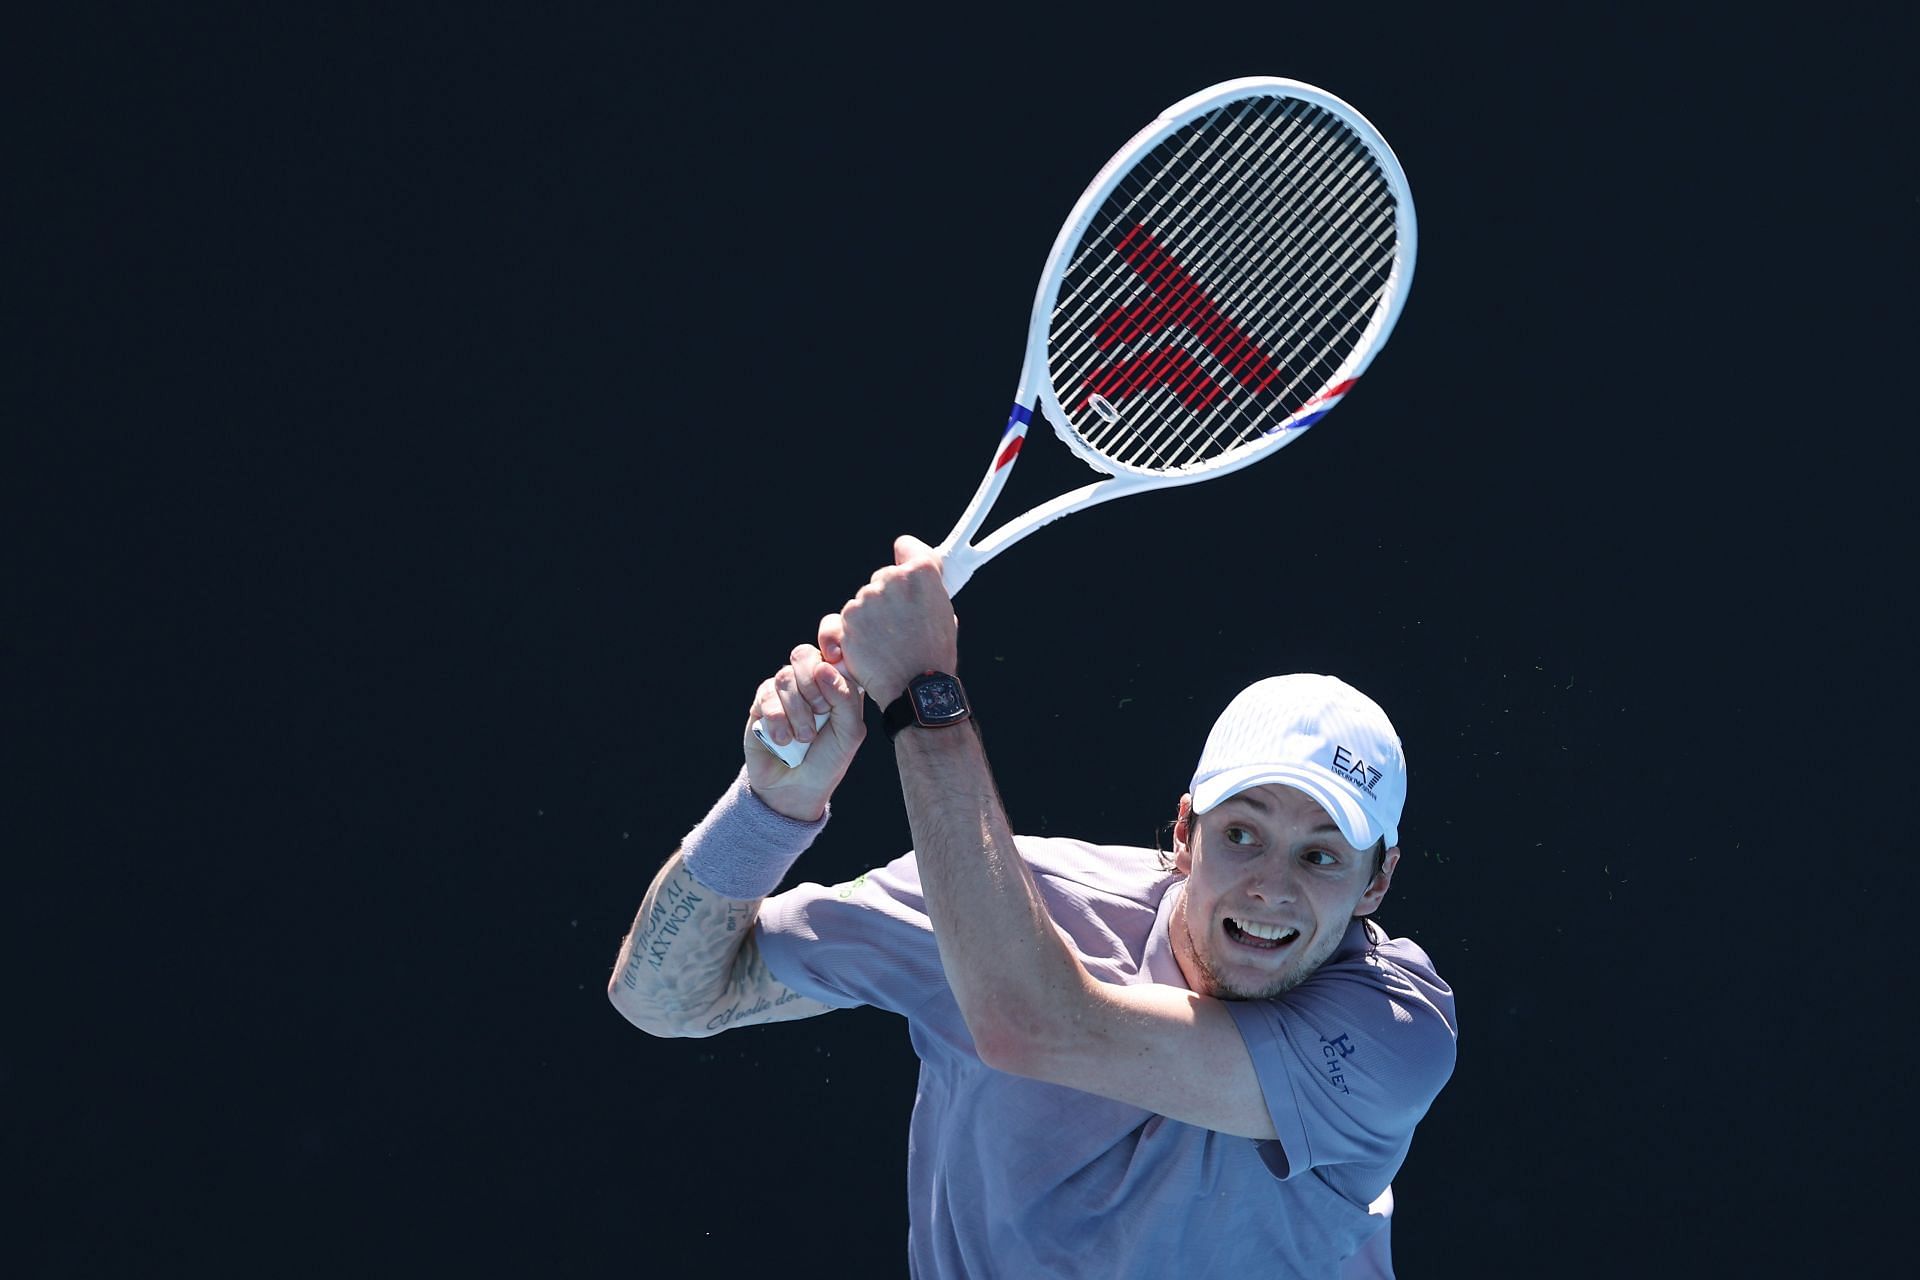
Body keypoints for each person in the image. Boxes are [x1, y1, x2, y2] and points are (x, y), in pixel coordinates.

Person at [608, 535, 1457, 1277]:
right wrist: (770, 808)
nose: (1272, 886)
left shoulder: (1395, 1027)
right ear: (1184, 831)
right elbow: (666, 1001)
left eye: (1320, 856)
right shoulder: (997, 901)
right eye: (1243, 835)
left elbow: (1033, 1022)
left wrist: (922, 692)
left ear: (1375, 885)